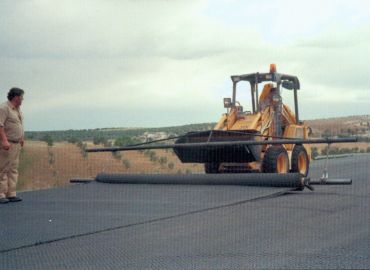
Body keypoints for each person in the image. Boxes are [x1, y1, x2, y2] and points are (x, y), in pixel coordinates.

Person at [0, 87, 25, 204]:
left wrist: (21, 138)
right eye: (21, 97)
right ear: (16, 97)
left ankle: (11, 193)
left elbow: (18, 125)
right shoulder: (4, 108)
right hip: (6, 144)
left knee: (13, 169)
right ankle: (1, 193)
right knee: (2, 168)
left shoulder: (17, 110)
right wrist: (4, 141)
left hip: (16, 144)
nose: (22, 99)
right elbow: (0, 126)